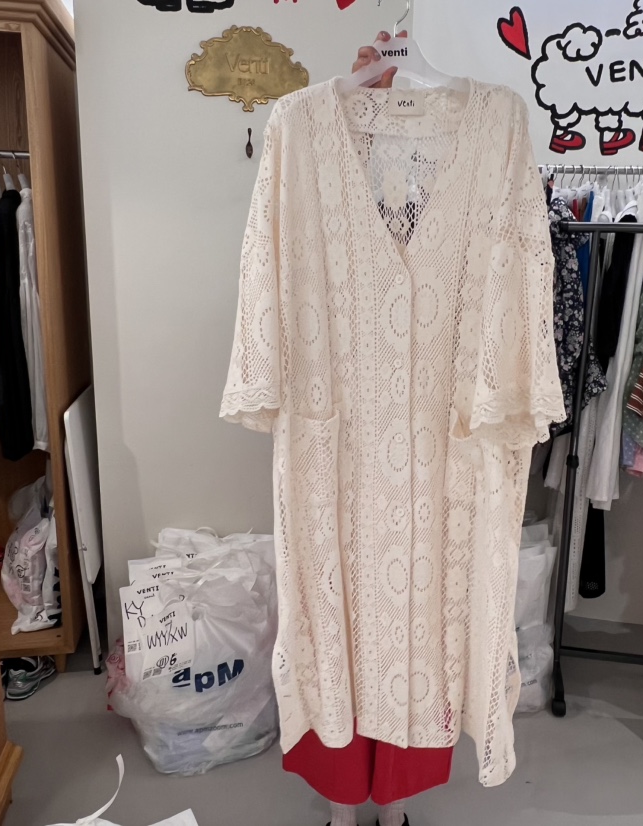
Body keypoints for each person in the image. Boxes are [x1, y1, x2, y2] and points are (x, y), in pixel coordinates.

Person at [280, 30, 450, 826]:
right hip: (337, 434)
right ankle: (345, 805)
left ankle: (392, 805)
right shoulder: (308, 144)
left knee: (412, 620)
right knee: (338, 612)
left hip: (425, 437)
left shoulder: (456, 148)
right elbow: (280, 270)